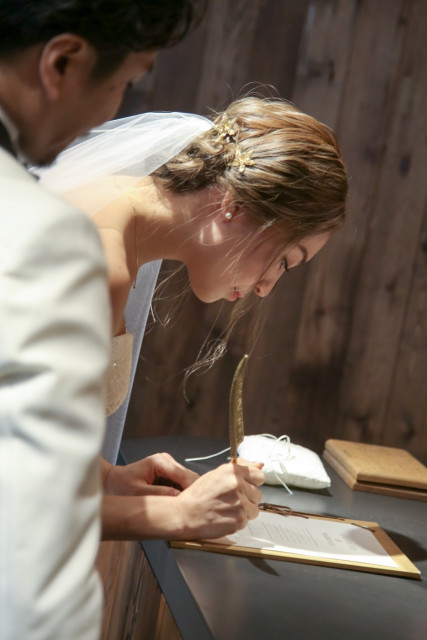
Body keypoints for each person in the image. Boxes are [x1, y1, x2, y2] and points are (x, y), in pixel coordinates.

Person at [39, 96, 347, 542]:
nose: (266, 287)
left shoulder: (106, 210)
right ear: (234, 206)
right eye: (284, 260)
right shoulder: (98, 263)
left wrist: (105, 478)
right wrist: (179, 517)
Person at [0, 2, 206, 639]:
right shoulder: (41, 235)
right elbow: (34, 530)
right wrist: (174, 518)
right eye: (123, 83)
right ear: (62, 62)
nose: (114, 112)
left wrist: (110, 480)